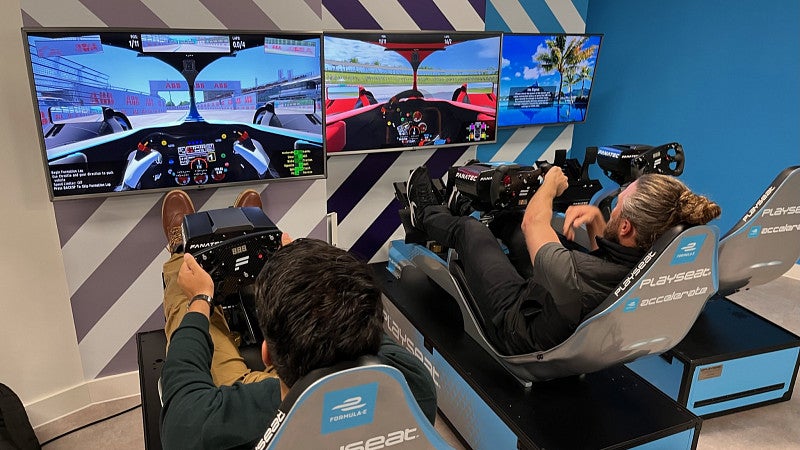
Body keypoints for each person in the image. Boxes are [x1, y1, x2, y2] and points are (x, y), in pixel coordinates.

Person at [159, 189, 437, 449]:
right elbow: (361, 316)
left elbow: (181, 413)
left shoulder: (244, 411)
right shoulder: (415, 385)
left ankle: (181, 255)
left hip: (273, 392)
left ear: (267, 355)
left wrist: (200, 300)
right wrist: (304, 274)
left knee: (196, 314)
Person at [406, 166, 721, 355]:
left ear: (626, 227)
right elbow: (609, 260)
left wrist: (548, 185)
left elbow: (535, 224)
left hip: (518, 326)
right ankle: (462, 212)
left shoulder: (578, 274)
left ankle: (425, 213)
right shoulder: (650, 264)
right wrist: (598, 219)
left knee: (471, 231)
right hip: (557, 312)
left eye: (619, 204)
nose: (615, 202)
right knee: (512, 222)